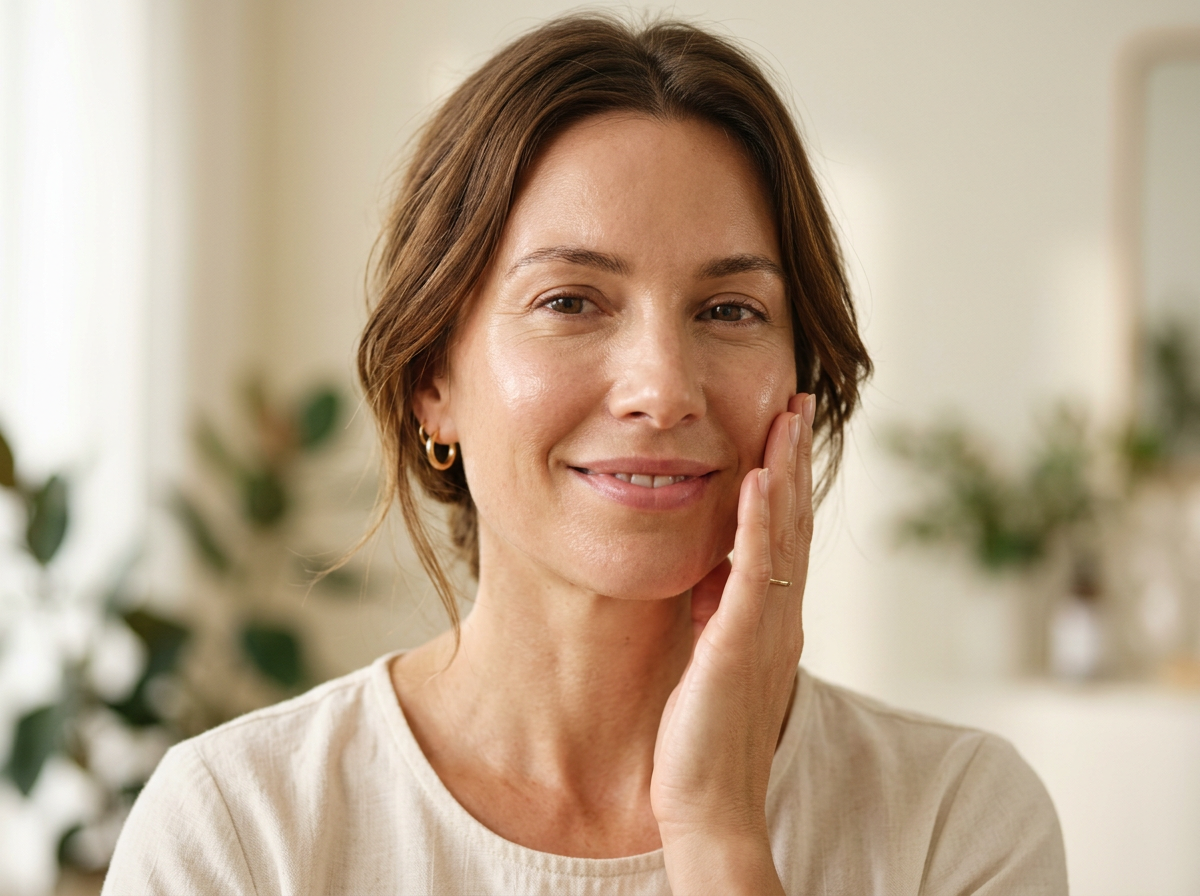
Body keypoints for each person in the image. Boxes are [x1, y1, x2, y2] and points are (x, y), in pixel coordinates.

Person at [104, 14, 1067, 895]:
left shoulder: (956, 823)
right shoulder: (238, 828)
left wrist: (720, 830)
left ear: (801, 385)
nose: (664, 388)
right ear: (432, 379)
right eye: (570, 300)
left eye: (730, 310)